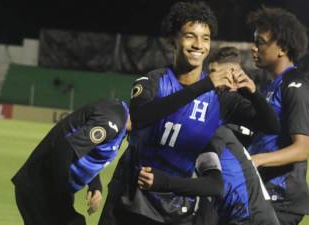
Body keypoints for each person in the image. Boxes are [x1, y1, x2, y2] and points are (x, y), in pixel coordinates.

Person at [98, 2, 279, 225]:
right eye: (190, 36)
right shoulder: (153, 82)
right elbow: (139, 118)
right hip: (129, 205)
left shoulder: (219, 99)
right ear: (173, 39)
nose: (198, 45)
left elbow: (271, 125)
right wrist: (204, 86)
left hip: (175, 213)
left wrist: (252, 93)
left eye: (205, 38)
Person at [12, 100, 131, 225]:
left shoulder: (118, 117)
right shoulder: (113, 120)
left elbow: (86, 149)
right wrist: (61, 195)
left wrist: (95, 185)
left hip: (43, 186)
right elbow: (66, 146)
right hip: (40, 188)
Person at [246, 7, 309, 225]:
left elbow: (301, 149)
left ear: (282, 48)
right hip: (263, 192)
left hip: (282, 199)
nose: (253, 47)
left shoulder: (295, 85)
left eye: (261, 42)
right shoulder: (268, 85)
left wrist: (256, 160)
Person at [138, 126, 280, 225]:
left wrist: (163, 182)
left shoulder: (209, 132)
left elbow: (214, 186)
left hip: (250, 217)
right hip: (246, 214)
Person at [208, 46, 254, 149]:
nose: (212, 77)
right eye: (210, 72)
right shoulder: (211, 97)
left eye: (215, 72)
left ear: (233, 72)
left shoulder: (248, 104)